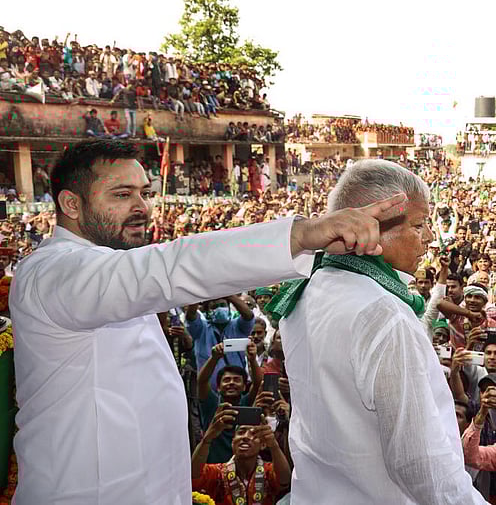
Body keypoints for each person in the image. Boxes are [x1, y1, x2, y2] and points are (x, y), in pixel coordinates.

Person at [10, 140, 407, 504]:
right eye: (122, 195)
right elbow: (170, 266)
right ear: (71, 204)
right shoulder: (52, 274)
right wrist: (301, 235)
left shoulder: (103, 268)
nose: (142, 207)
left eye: (145, 193)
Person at [269, 160, 487, 504]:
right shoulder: (384, 315)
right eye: (419, 225)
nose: (429, 238)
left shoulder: (309, 288)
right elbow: (420, 466)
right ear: (369, 228)